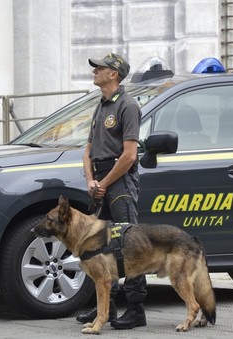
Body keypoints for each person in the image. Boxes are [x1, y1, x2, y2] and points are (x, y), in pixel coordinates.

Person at [79, 52, 147, 330]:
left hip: (118, 182)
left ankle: (136, 309)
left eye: (100, 68)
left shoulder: (127, 106)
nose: (94, 71)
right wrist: (90, 181)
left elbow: (129, 156)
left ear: (114, 74)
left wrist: (105, 183)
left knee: (129, 244)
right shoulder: (101, 105)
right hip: (101, 180)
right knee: (98, 245)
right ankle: (105, 307)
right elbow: (88, 150)